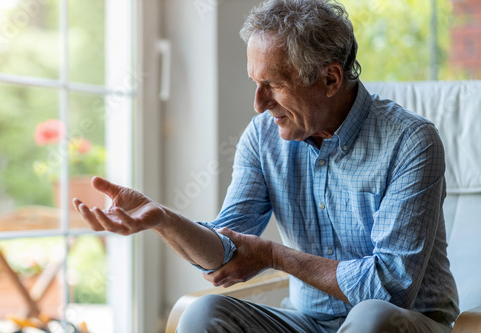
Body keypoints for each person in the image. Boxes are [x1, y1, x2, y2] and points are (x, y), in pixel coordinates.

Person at [73, 0, 459, 332]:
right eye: (255, 83)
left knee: (371, 316)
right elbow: (227, 252)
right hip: (306, 321)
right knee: (204, 313)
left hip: (404, 321)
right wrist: (165, 221)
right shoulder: (263, 137)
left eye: (273, 84)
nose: (258, 103)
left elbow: (389, 287)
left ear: (329, 78)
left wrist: (276, 256)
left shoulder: (412, 142)